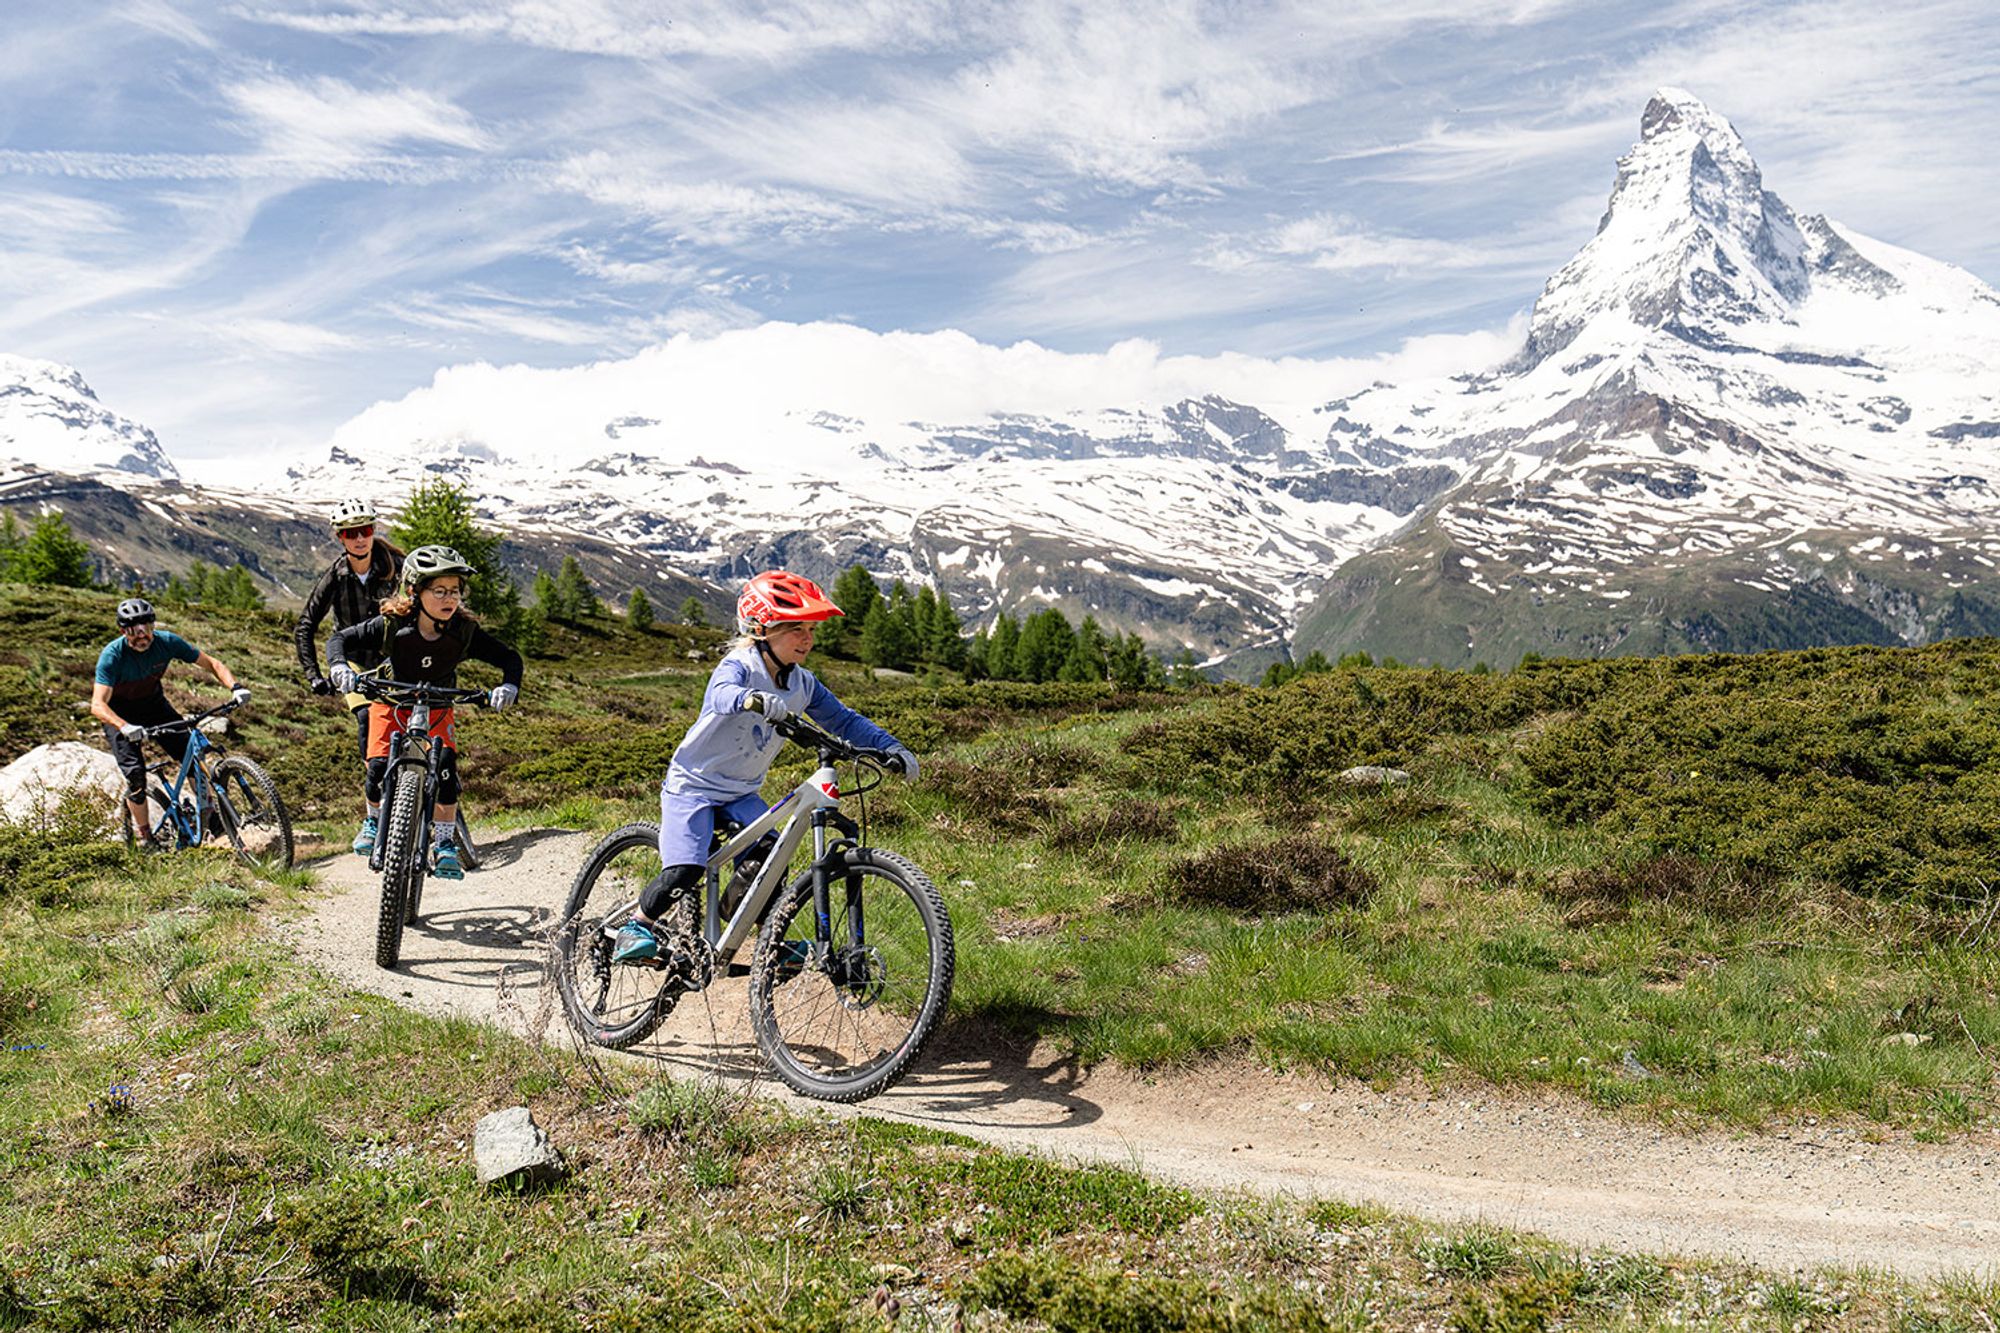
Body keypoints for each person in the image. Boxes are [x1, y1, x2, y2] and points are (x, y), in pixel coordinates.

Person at [613, 569, 918, 963]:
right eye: (795, 629)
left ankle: (762, 938)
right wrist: (749, 698)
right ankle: (635, 926)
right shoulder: (740, 664)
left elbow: (843, 720)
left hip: (741, 792)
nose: (807, 639)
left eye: (810, 630)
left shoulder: (803, 683)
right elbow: (721, 693)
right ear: (761, 629)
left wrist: (890, 747)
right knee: (686, 870)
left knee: (771, 860)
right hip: (694, 786)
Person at [325, 545, 522, 880]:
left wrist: (508, 686)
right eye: (440, 591)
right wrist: (339, 667)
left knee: (445, 768)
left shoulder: (463, 631)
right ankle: (373, 819)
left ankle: (444, 844)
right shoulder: (393, 625)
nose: (450, 599)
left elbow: (509, 658)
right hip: (391, 703)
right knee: (375, 768)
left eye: (456, 591)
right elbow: (338, 639)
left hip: (438, 706)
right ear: (415, 591)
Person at [90, 597, 251, 847]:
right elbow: (98, 704)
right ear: (123, 631)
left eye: (147, 626)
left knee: (193, 759)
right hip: (120, 715)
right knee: (136, 777)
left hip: (154, 707)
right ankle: (146, 837)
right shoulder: (112, 656)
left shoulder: (167, 642)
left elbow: (212, 663)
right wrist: (124, 726)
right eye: (134, 628)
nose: (142, 633)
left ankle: (211, 819)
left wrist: (236, 687)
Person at [293, 499, 403, 854]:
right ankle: (374, 810)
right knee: (366, 721)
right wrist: (314, 675)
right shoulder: (335, 576)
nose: (360, 539)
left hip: (393, 659)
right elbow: (306, 626)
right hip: (353, 662)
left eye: (366, 530)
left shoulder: (395, 566)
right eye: (352, 533)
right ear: (341, 538)